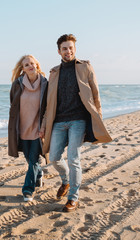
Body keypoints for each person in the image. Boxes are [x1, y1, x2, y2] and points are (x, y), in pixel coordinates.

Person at [39, 34, 112, 212]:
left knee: (74, 159)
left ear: (75, 49)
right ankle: (66, 181)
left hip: (78, 120)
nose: (68, 51)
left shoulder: (85, 67)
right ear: (59, 51)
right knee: (54, 157)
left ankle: (73, 198)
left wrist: (98, 117)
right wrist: (43, 124)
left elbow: (95, 94)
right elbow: (49, 102)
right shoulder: (54, 72)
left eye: (71, 47)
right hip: (58, 121)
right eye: (64, 48)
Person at [8, 55, 48, 202]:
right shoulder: (17, 84)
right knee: (28, 158)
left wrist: (45, 125)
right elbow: (13, 104)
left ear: (37, 65)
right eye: (26, 65)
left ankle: (27, 190)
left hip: (38, 129)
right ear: (23, 69)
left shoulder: (45, 84)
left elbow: (49, 107)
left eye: (32, 63)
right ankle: (38, 175)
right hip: (22, 128)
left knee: (33, 159)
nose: (30, 66)